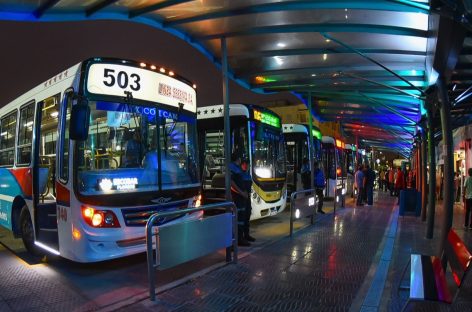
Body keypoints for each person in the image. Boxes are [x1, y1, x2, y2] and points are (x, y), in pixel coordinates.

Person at [229, 153, 251, 246]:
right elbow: (231, 183)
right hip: (239, 198)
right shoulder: (233, 168)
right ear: (238, 159)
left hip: (244, 197)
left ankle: (244, 236)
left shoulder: (241, 171)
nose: (244, 164)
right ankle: (238, 239)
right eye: (243, 161)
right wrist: (242, 193)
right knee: (239, 219)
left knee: (245, 216)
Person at [240, 158, 255, 242]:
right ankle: (241, 237)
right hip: (241, 198)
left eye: (247, 164)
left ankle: (246, 235)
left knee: (247, 216)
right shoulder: (240, 174)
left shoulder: (248, 174)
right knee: (242, 217)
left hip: (247, 198)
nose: (246, 166)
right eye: (244, 164)